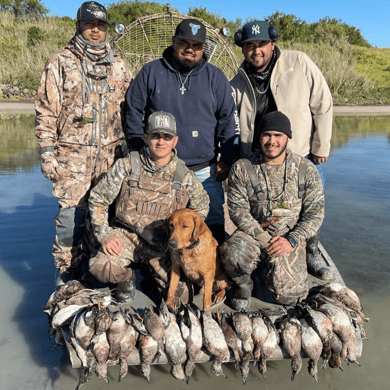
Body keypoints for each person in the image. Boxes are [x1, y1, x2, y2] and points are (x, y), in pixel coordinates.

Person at [35, 1, 132, 279]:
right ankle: (66, 276)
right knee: (70, 220)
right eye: (90, 24)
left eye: (101, 25)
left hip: (110, 159)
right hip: (71, 160)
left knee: (104, 217)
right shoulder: (60, 62)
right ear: (78, 26)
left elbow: (132, 112)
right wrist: (47, 154)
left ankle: (98, 273)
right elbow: (45, 111)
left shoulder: (119, 67)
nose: (95, 30)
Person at [230, 20, 333, 279]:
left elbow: (323, 102)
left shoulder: (298, 62)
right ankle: (261, 249)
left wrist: (321, 144)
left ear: (272, 43)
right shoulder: (238, 80)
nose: (256, 51)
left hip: (300, 152)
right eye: (249, 45)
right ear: (243, 49)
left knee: (309, 206)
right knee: (261, 209)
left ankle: (310, 249)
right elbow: (228, 121)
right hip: (256, 156)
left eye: (261, 44)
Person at [123, 18, 239, 245]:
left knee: (211, 219)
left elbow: (228, 119)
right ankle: (158, 270)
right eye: (185, 42)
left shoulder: (215, 77)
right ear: (174, 41)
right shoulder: (151, 72)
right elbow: (132, 111)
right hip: (160, 167)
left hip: (205, 168)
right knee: (161, 222)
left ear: (203, 48)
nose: (190, 49)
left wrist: (226, 159)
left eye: (197, 45)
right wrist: (137, 149)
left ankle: (212, 270)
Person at [88, 111, 209, 302]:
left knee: (181, 299)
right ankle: (126, 279)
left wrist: (185, 239)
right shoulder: (126, 166)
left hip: (164, 246)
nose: (161, 142)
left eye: (167, 137)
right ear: (146, 138)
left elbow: (201, 207)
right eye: (155, 136)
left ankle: (153, 277)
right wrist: (105, 235)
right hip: (126, 237)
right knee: (101, 266)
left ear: (175, 141)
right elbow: (98, 199)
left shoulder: (184, 175)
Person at [220, 111, 325, 310]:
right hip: (255, 233)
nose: (272, 141)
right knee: (231, 253)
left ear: (288, 137)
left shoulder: (306, 169)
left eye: (278, 135)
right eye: (266, 135)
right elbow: (238, 211)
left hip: (289, 237)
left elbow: (315, 214)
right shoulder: (243, 168)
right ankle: (243, 284)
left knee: (288, 298)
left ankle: (273, 268)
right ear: (259, 137)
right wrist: (263, 239)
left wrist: (291, 240)